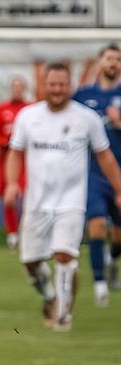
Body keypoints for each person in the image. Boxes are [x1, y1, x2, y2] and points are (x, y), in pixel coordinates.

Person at [4, 62, 121, 331]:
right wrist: (12, 183)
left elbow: (105, 156)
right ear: (44, 86)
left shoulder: (86, 118)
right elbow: (16, 152)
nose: (57, 90)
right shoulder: (28, 116)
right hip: (36, 203)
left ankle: (63, 315)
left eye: (62, 85)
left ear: (70, 86)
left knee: (64, 256)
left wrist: (119, 190)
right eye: (52, 85)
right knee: (31, 263)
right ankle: (49, 296)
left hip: (71, 201)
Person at [74, 43, 121, 306]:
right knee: (97, 224)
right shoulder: (83, 96)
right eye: (109, 58)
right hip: (93, 173)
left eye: (117, 59)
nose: (113, 63)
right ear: (100, 62)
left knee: (118, 235)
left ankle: (113, 258)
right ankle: (100, 283)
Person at [0, 76, 31, 251]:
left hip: (27, 160)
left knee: (29, 196)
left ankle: (28, 232)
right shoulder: (0, 109)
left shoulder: (31, 109)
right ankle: (12, 234)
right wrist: (10, 142)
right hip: (6, 159)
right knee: (9, 198)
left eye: (20, 87)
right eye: (14, 87)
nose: (17, 90)